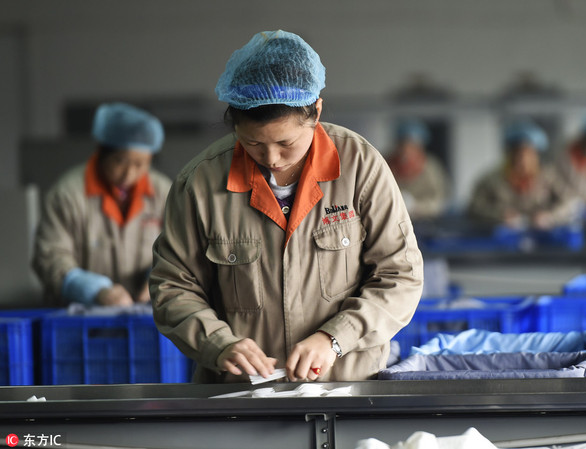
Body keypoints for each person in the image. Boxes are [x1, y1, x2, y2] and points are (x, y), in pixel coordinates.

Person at [150, 30, 423, 383]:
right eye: (253, 143)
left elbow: (400, 275)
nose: (271, 158)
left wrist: (335, 339)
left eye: (285, 143)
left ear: (317, 111)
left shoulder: (360, 166)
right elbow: (173, 286)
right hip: (240, 396)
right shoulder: (200, 184)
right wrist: (218, 344)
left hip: (348, 388)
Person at [32, 102, 172, 307]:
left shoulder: (163, 192)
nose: (129, 173)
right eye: (120, 161)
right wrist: (92, 290)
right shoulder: (68, 195)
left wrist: (159, 277)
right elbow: (50, 255)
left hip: (145, 316)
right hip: (81, 317)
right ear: (101, 153)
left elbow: (178, 248)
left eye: (140, 164)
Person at [467, 120, 577, 229]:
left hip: (543, 237)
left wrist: (550, 216)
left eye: (528, 153)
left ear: (536, 155)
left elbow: (570, 202)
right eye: (517, 153)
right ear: (508, 154)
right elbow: (474, 208)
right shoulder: (491, 179)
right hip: (503, 239)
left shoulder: (549, 176)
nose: (522, 159)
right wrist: (499, 215)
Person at [386, 119, 449, 220]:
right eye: (403, 144)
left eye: (413, 146)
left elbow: (440, 202)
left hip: (425, 222)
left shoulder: (431, 168)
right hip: (391, 220)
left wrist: (415, 206)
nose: (406, 151)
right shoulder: (384, 163)